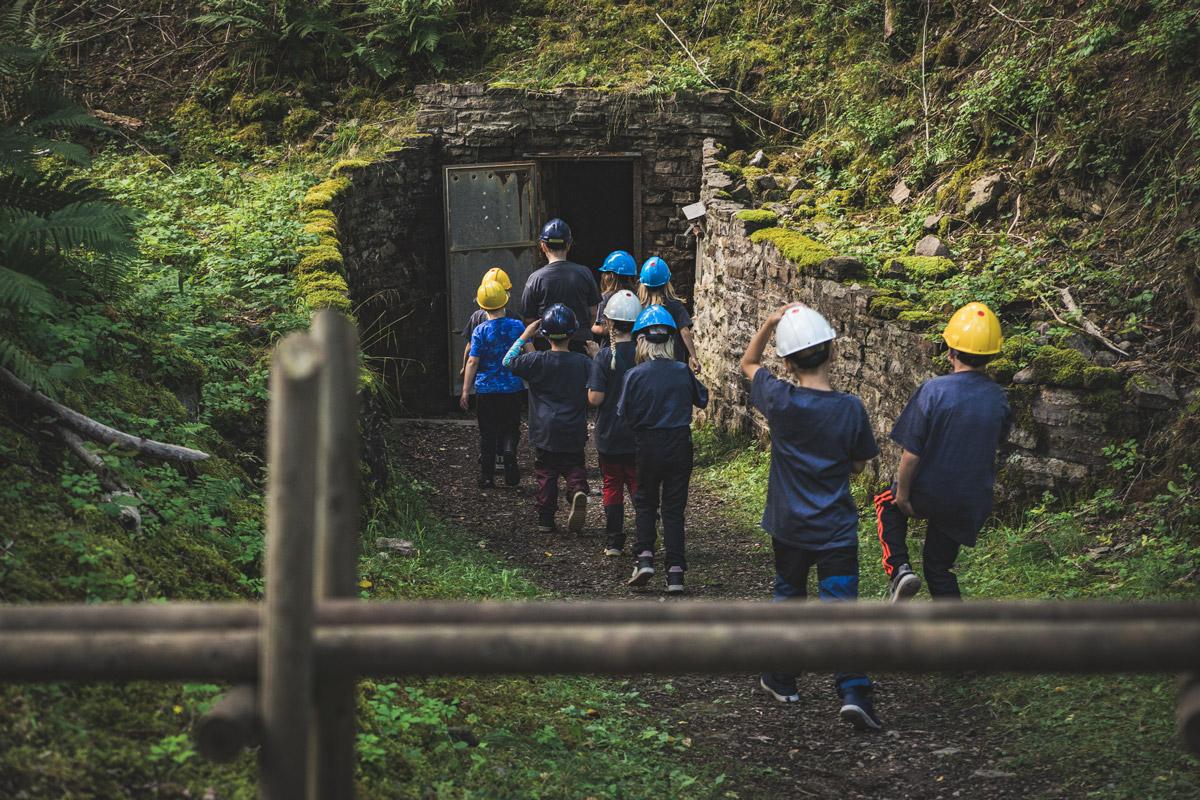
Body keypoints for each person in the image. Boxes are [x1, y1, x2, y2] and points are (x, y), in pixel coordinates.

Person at [740, 303, 882, 731]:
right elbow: (858, 465)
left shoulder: (780, 399)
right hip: (836, 529)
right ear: (833, 352)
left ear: (786, 362)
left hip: (789, 527)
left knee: (789, 596)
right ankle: (853, 691)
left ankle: (783, 678)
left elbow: (748, 364)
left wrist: (769, 322)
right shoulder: (851, 408)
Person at [875, 301, 1012, 602]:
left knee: (886, 503)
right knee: (939, 567)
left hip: (929, 491)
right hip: (968, 500)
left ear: (950, 352)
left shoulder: (934, 391)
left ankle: (900, 570)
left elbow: (911, 454)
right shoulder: (999, 399)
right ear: (992, 356)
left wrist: (903, 495)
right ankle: (955, 626)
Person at [618, 305, 708, 594]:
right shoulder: (682, 371)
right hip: (679, 443)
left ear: (640, 341)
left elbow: (623, 412)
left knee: (645, 501)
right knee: (673, 508)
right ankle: (676, 572)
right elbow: (702, 399)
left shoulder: (634, 375)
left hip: (647, 444)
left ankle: (645, 557)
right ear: (671, 341)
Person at [503, 303, 592, 533]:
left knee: (546, 473)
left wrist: (524, 336)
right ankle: (577, 490)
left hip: (544, 430)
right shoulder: (583, 362)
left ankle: (546, 519)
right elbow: (600, 378)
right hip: (573, 428)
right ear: (573, 333)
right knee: (574, 465)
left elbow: (507, 361)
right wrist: (596, 355)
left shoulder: (536, 360)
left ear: (544, 334)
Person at [586, 289, 642, 557]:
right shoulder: (643, 354)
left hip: (609, 432)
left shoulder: (604, 356)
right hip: (638, 434)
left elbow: (595, 398)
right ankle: (645, 537)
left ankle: (614, 541)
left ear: (608, 322)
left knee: (612, 484)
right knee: (637, 484)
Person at [460, 280, 525, 489]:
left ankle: (487, 476)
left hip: (486, 390)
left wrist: (465, 390)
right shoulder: (517, 326)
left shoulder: (479, 331)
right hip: (512, 388)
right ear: (505, 302)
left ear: (482, 306)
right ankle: (509, 452)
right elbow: (529, 353)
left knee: (487, 432)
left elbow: (472, 361)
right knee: (511, 427)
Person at [520, 218, 600, 355]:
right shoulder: (585, 273)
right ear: (568, 245)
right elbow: (593, 313)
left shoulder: (535, 279)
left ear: (543, 246)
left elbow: (528, 319)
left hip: (546, 346)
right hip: (581, 344)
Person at [591, 250, 639, 341]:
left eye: (606, 273)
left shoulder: (605, 297)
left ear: (611, 275)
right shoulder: (636, 295)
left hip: (611, 345)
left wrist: (589, 326)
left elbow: (602, 329)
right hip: (633, 344)